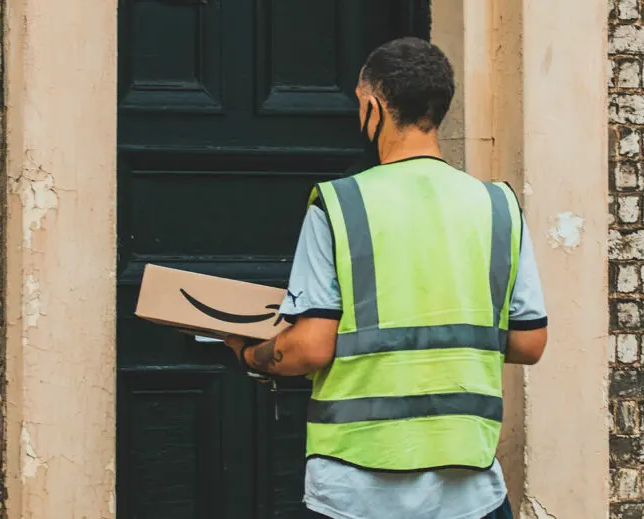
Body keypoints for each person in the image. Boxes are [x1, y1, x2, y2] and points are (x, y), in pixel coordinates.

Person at [225, 37, 548, 519]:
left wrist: (250, 353)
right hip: (468, 488)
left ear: (373, 105)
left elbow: (310, 347)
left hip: (356, 487)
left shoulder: (339, 205)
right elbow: (529, 343)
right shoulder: (498, 206)